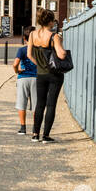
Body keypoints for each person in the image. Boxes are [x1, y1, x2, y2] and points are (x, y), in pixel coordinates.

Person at [28, 10, 68, 142]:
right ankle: (45, 136)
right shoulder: (54, 36)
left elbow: (29, 55)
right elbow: (61, 54)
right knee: (51, 105)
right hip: (54, 75)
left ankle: (35, 134)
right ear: (50, 21)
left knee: (40, 104)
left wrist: (39, 65)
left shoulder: (32, 34)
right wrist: (61, 44)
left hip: (40, 74)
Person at [13, 26, 36, 134]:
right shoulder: (39, 49)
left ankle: (23, 127)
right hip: (36, 78)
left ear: (24, 38)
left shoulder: (22, 50)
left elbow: (15, 64)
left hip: (23, 77)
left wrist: (17, 70)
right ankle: (36, 128)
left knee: (22, 103)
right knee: (36, 104)